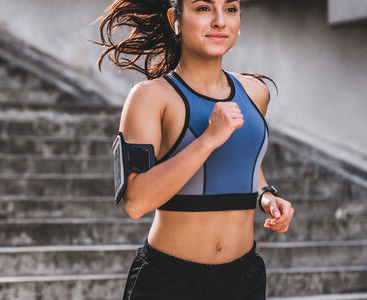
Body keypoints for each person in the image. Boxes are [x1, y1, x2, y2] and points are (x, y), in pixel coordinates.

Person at [91, 0, 295, 299]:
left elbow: (244, 159)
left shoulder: (255, 92)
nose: (219, 21)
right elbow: (136, 201)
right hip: (169, 280)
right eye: (203, 8)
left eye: (231, 9)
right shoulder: (151, 97)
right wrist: (208, 139)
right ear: (176, 18)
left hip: (244, 278)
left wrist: (266, 195)